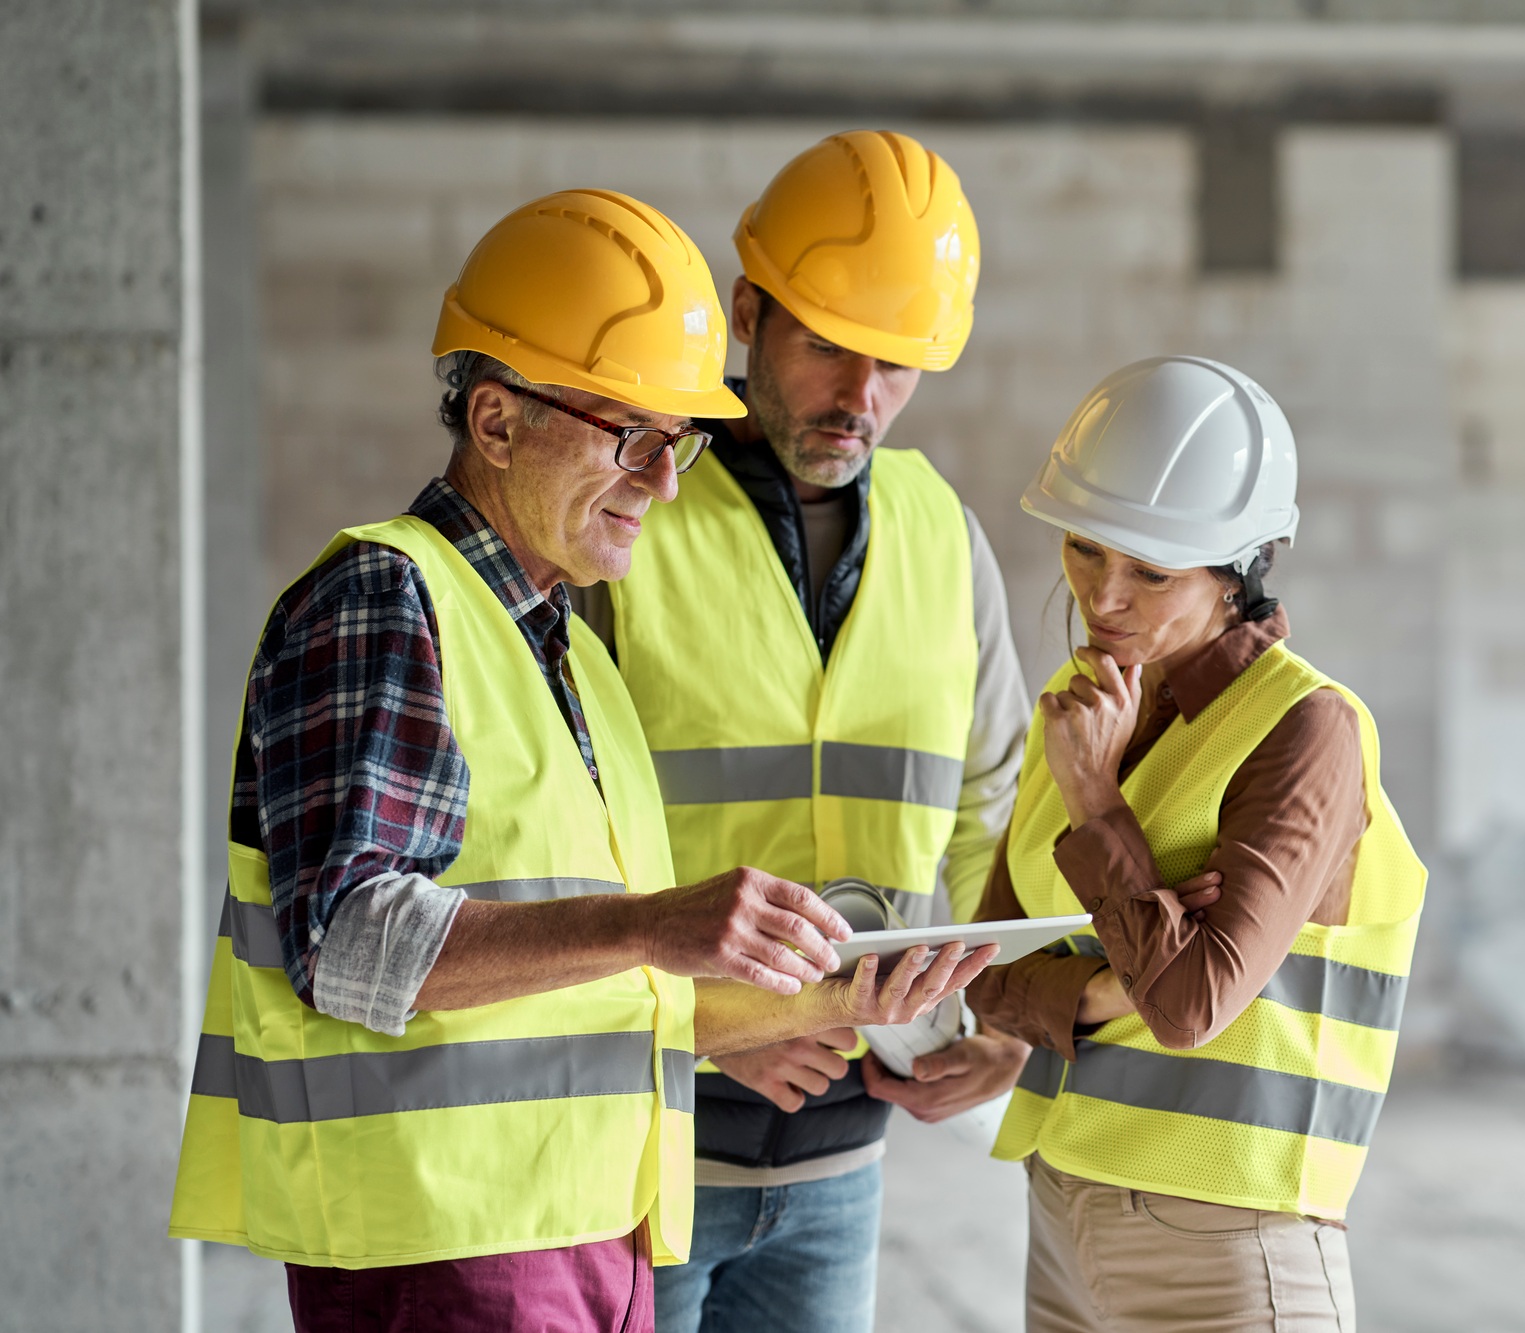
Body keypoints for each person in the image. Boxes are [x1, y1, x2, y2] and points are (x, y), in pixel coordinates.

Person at [167, 188, 994, 1333]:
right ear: (496, 421)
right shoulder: (386, 597)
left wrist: (841, 1001)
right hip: (450, 1242)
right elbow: (348, 943)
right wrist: (653, 923)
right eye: (631, 438)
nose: (665, 481)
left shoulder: (572, 658)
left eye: (678, 443)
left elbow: (589, 996)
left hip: (588, 1229)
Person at [584, 131, 1033, 1333]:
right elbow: (547, 839)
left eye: (895, 364)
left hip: (845, 1164)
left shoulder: (942, 534)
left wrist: (1006, 1023)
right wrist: (699, 1027)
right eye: (829, 344)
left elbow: (994, 813)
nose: (859, 397)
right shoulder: (626, 516)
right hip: (642, 1145)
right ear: (746, 314)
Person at [966, 356, 1428, 1332]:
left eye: (1151, 571)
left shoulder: (1305, 731)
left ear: (1238, 572)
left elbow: (1185, 1004)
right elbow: (988, 975)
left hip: (1230, 1238)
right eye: (1084, 549)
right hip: (1061, 1211)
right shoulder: (1079, 710)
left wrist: (1097, 801)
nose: (1103, 597)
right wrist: (1108, 987)